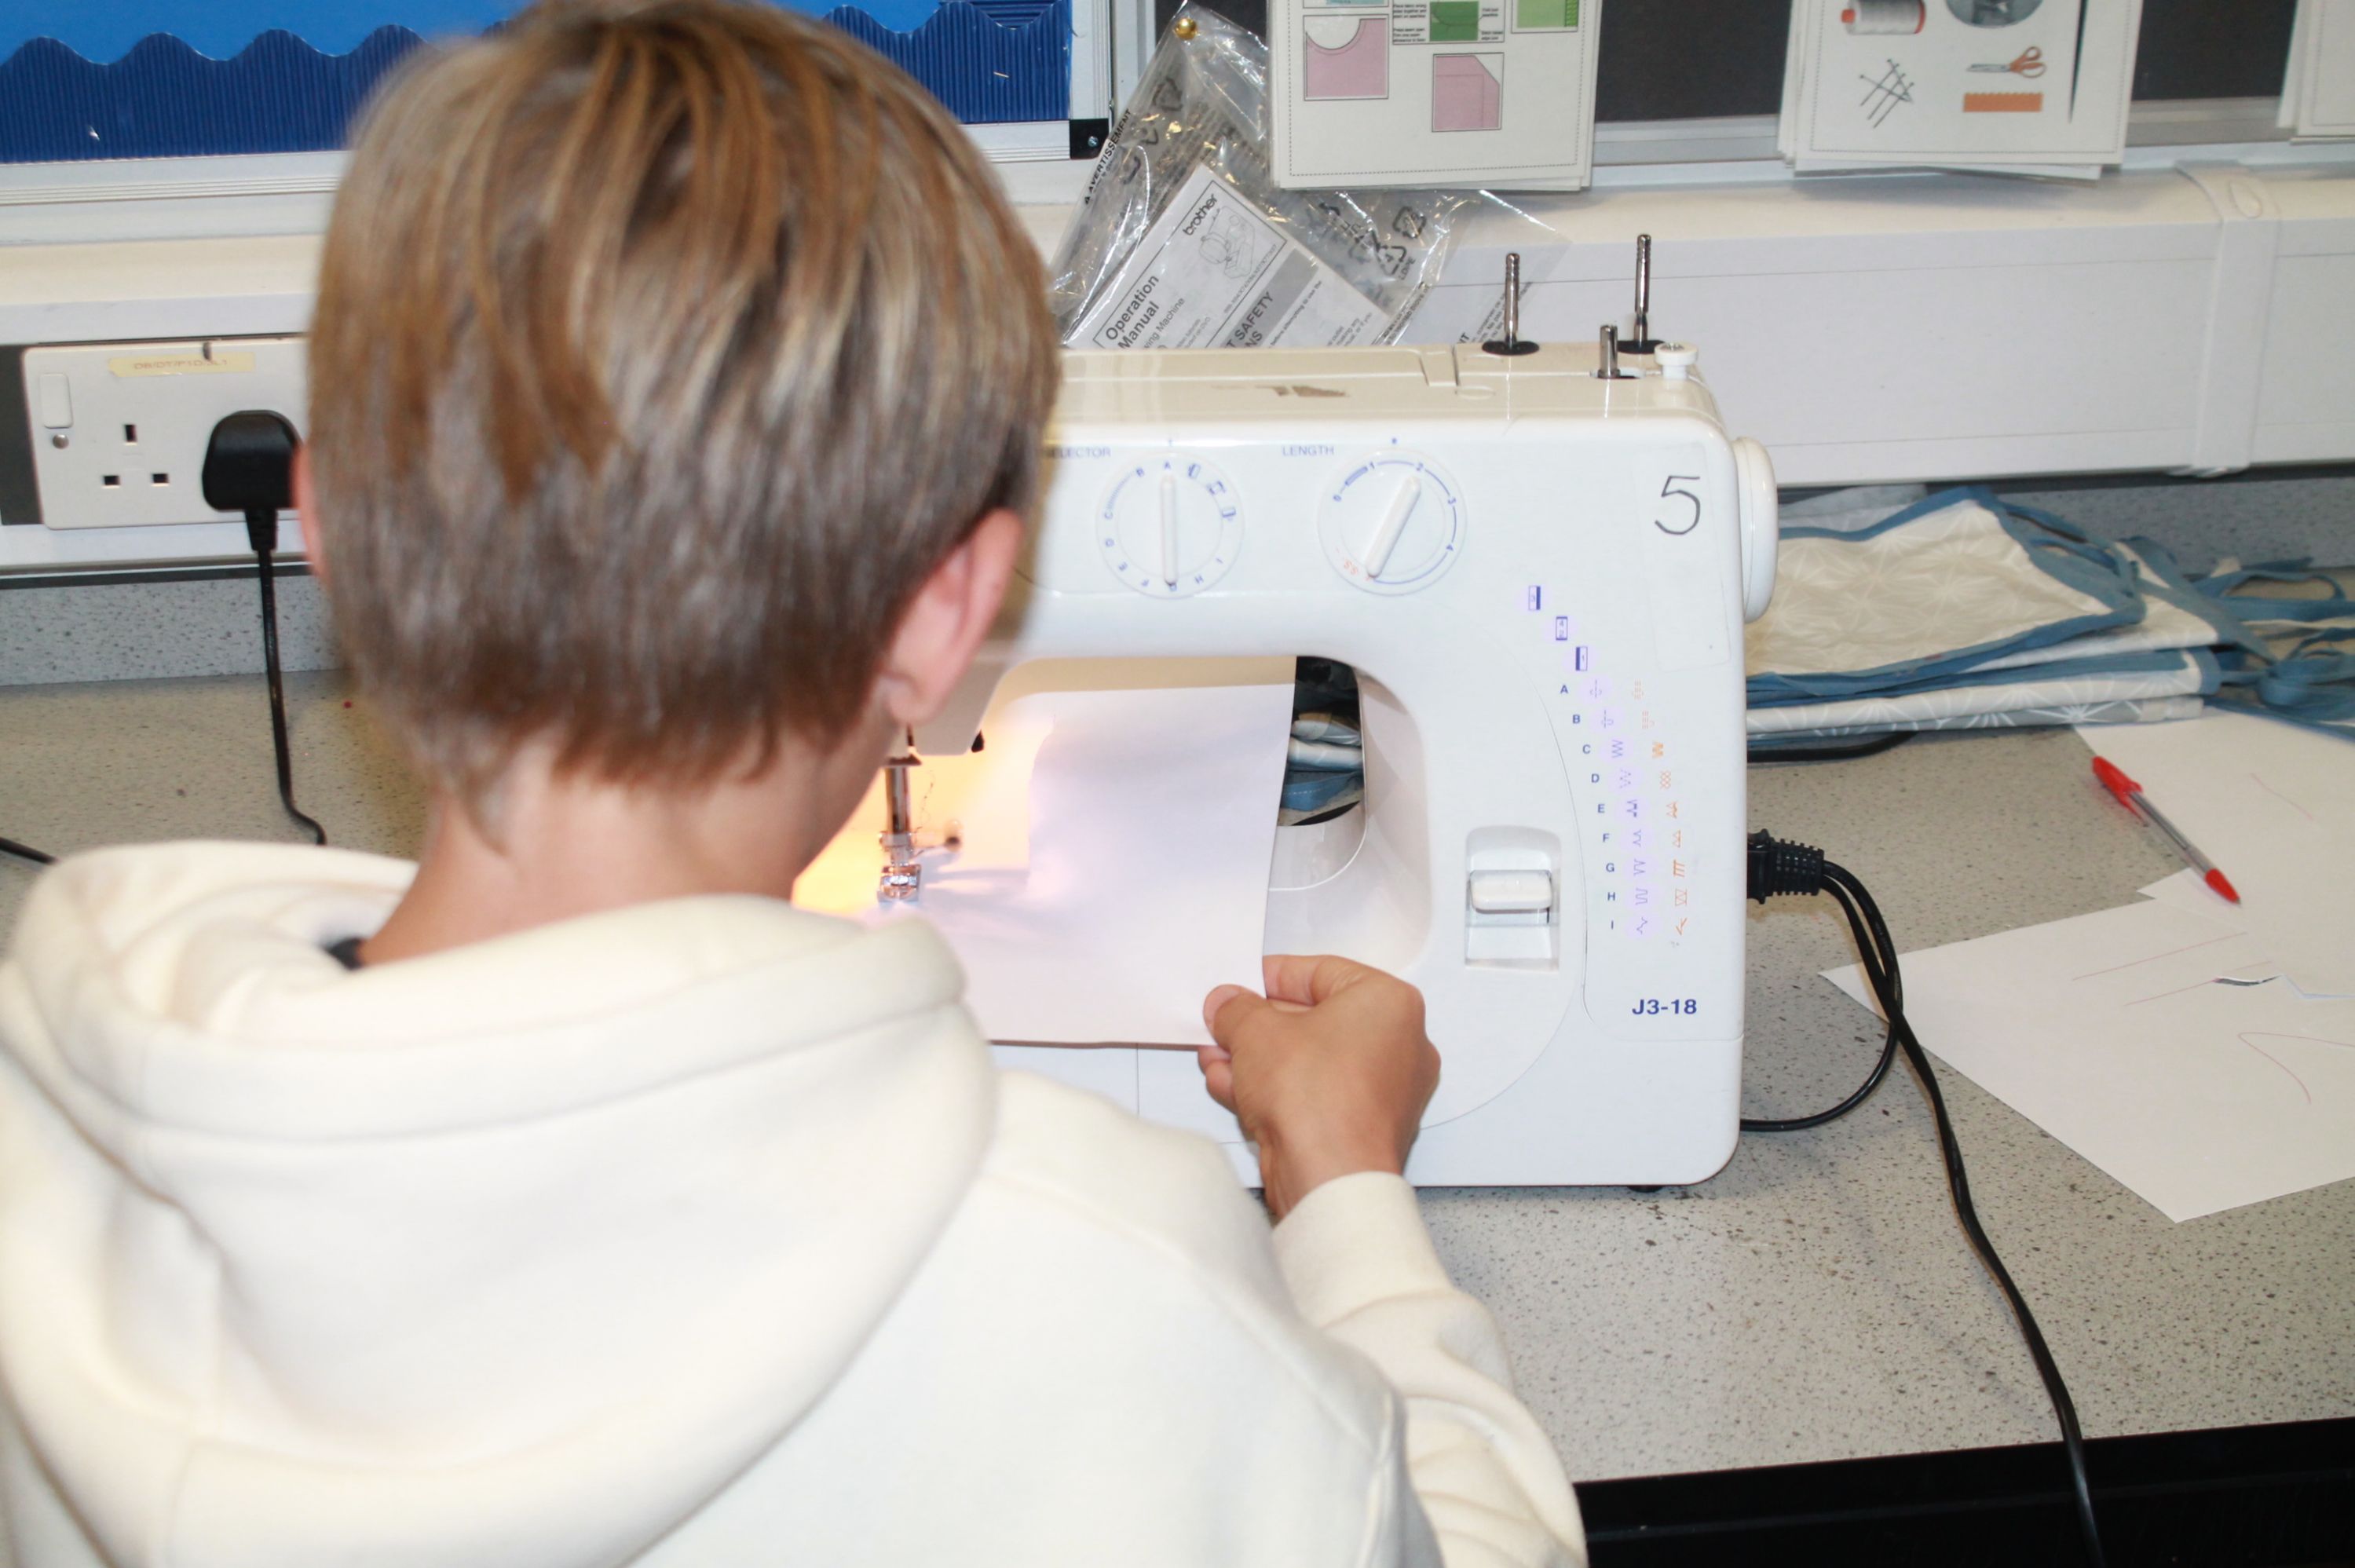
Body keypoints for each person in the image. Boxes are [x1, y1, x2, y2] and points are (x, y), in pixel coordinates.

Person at [0, 3, 1584, 1563]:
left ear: (329, 535)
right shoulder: (1112, 1280)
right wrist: (1355, 1206)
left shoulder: (47, 1158)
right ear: (950, 613)